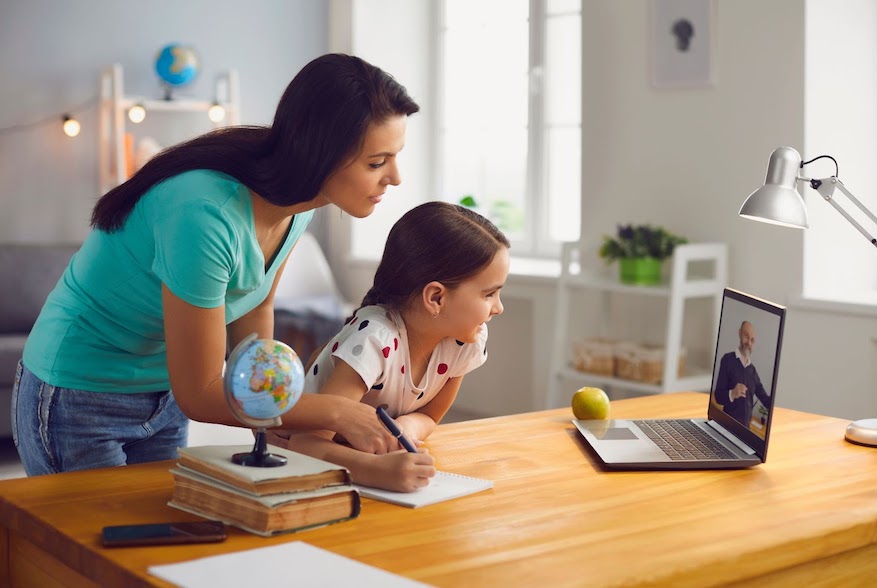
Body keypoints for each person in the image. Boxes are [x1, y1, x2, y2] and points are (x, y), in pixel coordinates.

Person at [12, 53, 420, 476]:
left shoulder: (299, 207)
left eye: (395, 156)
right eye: (377, 162)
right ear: (321, 155)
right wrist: (331, 413)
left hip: (163, 394)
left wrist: (270, 407)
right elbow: (202, 392)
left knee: (165, 536)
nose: (395, 177)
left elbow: (256, 303)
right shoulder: (204, 214)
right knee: (88, 538)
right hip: (80, 392)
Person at [270, 201, 510, 492]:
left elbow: (430, 416)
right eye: (489, 294)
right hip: (302, 474)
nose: (498, 308)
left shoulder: (464, 342)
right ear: (435, 298)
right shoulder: (375, 340)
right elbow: (305, 444)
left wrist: (405, 430)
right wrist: (374, 470)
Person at [713, 320, 771, 427]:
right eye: (746, 336)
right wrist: (732, 393)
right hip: (727, 426)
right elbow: (718, 396)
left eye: (752, 340)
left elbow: (766, 400)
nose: (749, 342)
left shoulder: (753, 371)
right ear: (740, 333)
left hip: (745, 430)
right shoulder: (727, 360)